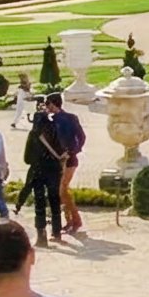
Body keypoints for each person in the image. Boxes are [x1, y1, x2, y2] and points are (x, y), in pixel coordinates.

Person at [20, 96, 68, 246]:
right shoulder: (55, 130)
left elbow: (27, 158)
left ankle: (41, 236)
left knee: (39, 202)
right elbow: (63, 148)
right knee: (54, 199)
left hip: (38, 170)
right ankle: (57, 232)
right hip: (54, 169)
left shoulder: (34, 135)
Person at [46, 94, 86, 235]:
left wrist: (70, 153)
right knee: (63, 190)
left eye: (47, 104)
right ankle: (70, 220)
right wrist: (74, 151)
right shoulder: (71, 117)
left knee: (62, 190)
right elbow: (81, 137)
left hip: (65, 159)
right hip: (70, 157)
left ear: (52, 104)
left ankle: (75, 219)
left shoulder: (53, 121)